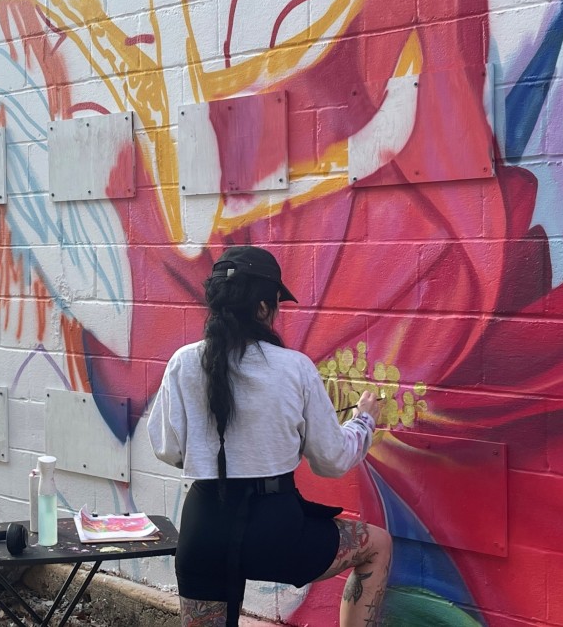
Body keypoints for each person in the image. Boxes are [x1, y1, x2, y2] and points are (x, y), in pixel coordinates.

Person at [148, 245, 393, 627]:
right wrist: (363, 421)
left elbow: (167, 448)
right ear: (263, 308)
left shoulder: (182, 362)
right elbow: (332, 461)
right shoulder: (294, 368)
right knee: (376, 546)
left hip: (204, 529)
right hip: (276, 531)